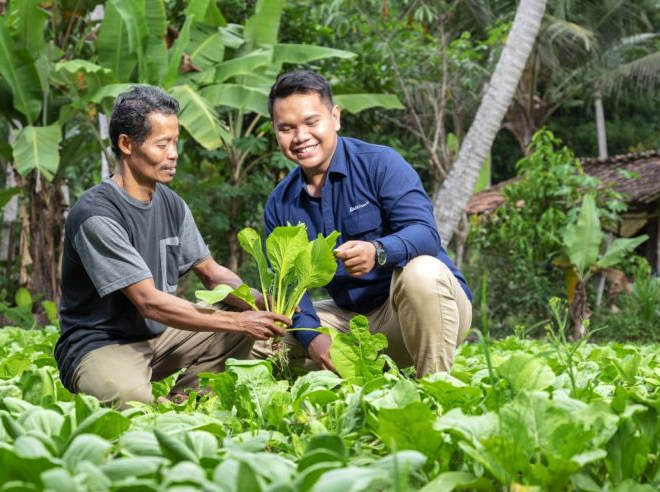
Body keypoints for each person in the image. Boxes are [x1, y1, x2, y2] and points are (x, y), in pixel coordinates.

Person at [55, 85, 289, 408]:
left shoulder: (172, 204)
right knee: (131, 400)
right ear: (126, 144)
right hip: (101, 342)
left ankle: (187, 402)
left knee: (238, 313)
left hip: (158, 336)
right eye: (162, 144)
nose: (174, 154)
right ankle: (148, 400)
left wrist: (260, 302)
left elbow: (211, 273)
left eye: (176, 142)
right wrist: (238, 321)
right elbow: (149, 302)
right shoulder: (96, 214)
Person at [258, 70, 473, 376]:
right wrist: (312, 337)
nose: (300, 137)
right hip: (352, 322)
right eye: (286, 128)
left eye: (311, 122)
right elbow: (292, 290)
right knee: (259, 327)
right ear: (276, 132)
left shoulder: (380, 163)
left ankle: (436, 386)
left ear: (335, 118)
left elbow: (426, 235)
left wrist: (377, 251)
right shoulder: (280, 203)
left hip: (420, 310)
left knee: (421, 272)